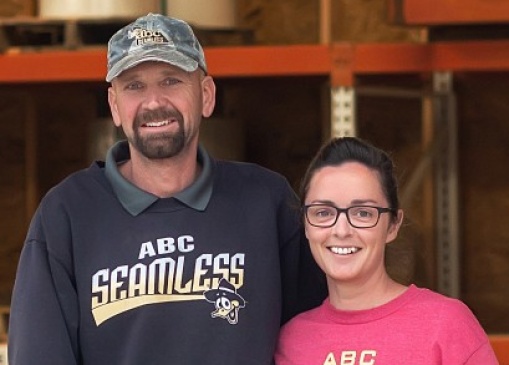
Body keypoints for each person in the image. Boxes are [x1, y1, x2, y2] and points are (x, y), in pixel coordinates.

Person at [8, 13, 325, 365]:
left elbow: (319, 335)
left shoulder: (266, 202)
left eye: (171, 81)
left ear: (206, 95)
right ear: (114, 106)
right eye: (134, 86)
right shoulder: (67, 214)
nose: (154, 101)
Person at [275, 137, 498, 365]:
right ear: (305, 224)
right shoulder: (291, 342)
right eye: (323, 212)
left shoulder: (446, 324)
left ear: (393, 225)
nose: (341, 230)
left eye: (363, 213)